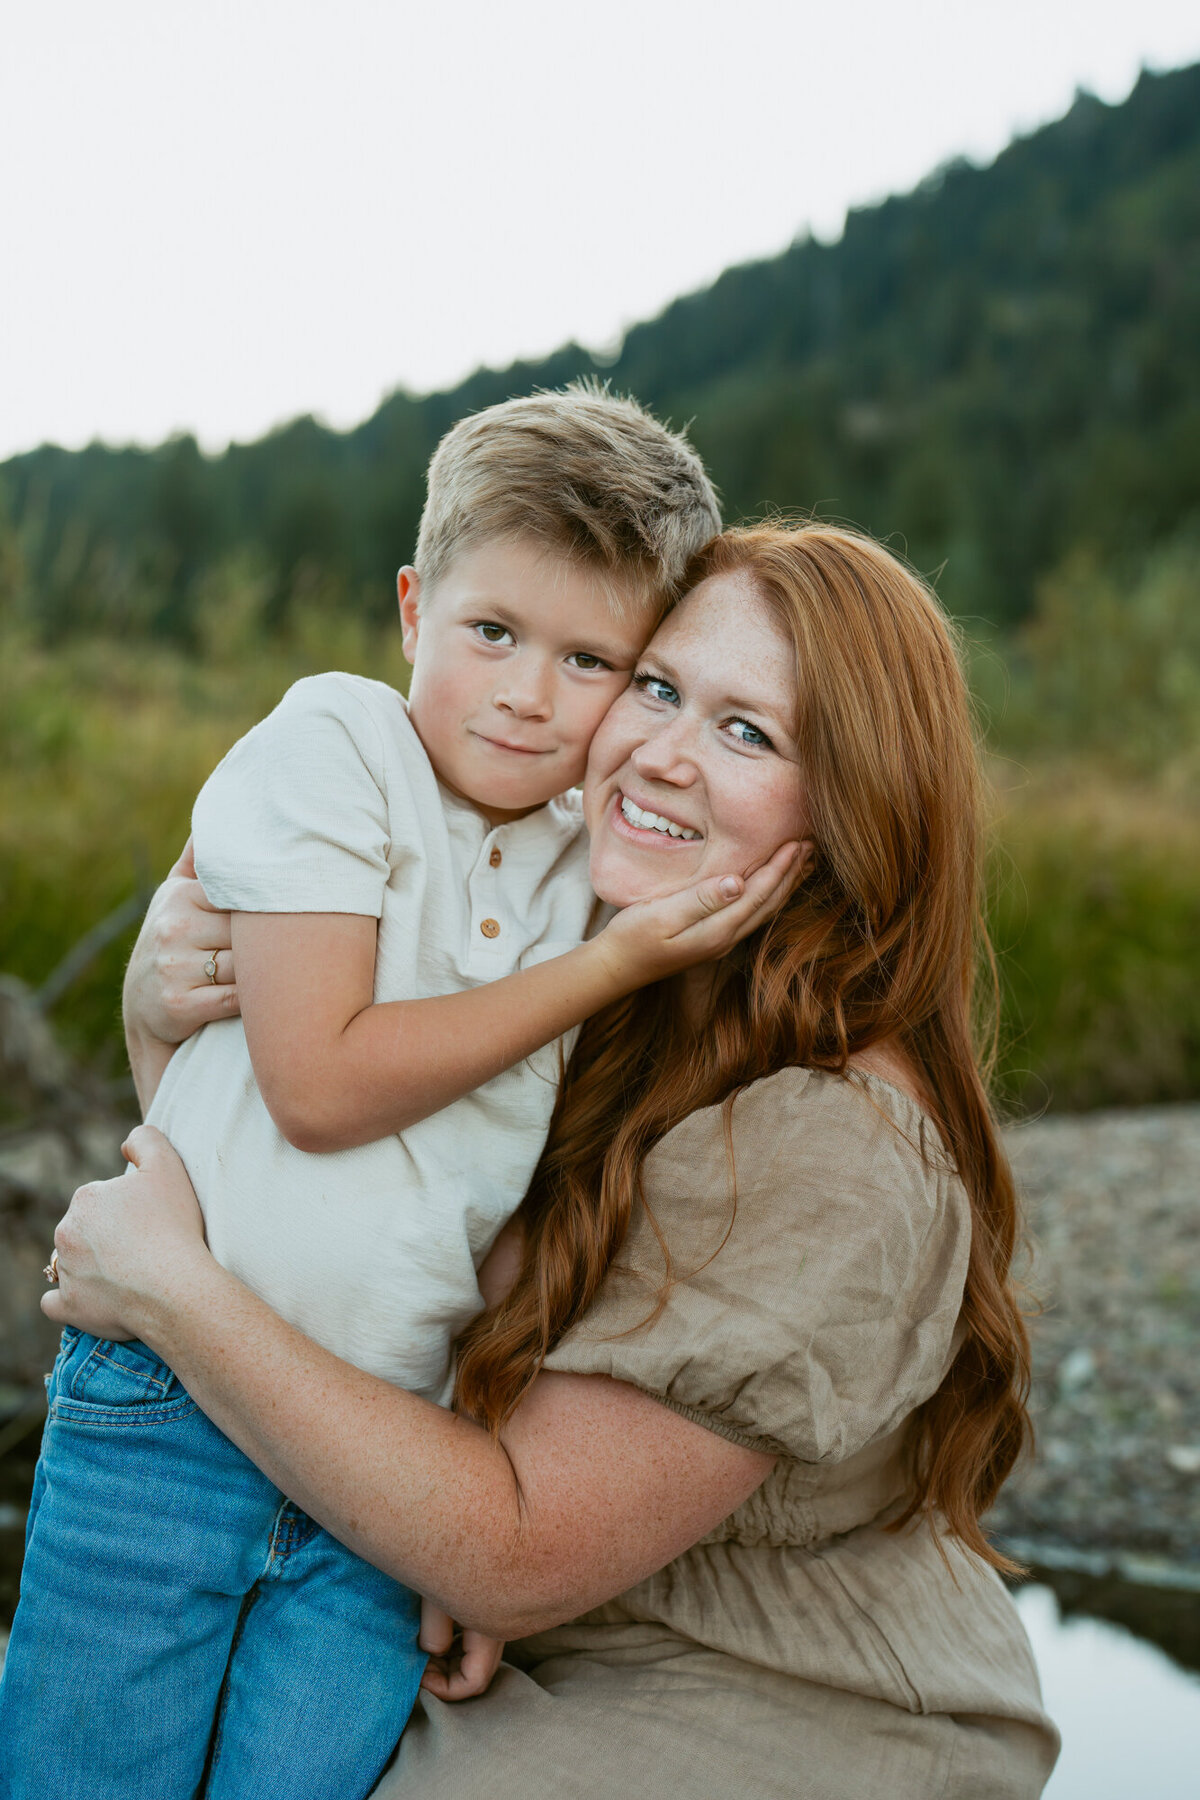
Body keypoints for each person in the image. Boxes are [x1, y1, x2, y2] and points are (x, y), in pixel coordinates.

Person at [41, 523, 1060, 1798]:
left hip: (774, 1689)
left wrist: (171, 1296)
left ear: (857, 806)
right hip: (509, 1600)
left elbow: (518, 1543)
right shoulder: (602, 948)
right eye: (656, 687)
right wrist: (164, 1023)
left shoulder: (833, 1141)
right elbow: (337, 1190)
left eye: (749, 733)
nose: (664, 756)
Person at [0, 388, 802, 1800]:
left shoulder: (588, 863)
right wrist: (605, 969)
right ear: (412, 605)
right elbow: (314, 1087)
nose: (528, 693)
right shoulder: (336, 748)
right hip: (168, 1409)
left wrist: (481, 1522)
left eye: (590, 660)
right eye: (493, 632)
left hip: (386, 1461)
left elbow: (498, 1201)